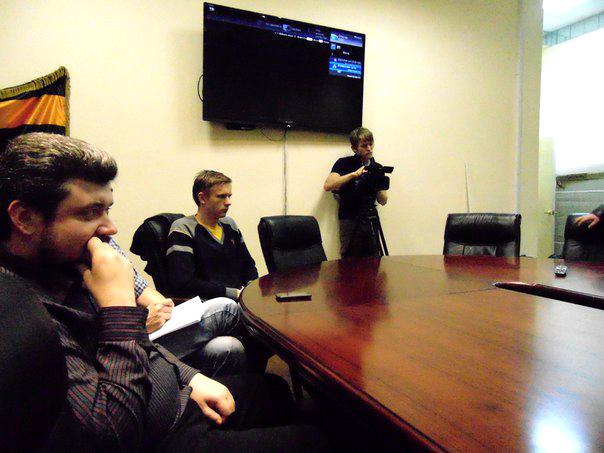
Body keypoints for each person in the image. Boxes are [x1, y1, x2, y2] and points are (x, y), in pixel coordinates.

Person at [0, 133, 326, 451]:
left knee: (274, 389)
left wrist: (189, 378)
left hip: (177, 398)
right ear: (25, 218)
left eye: (107, 209)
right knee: (321, 440)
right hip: (163, 435)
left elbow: (143, 347)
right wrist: (119, 305)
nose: (111, 228)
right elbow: (113, 433)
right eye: (89, 212)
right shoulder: (20, 314)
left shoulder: (70, 266)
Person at [109, 236, 247, 377]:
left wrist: (168, 312)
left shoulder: (106, 240)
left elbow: (141, 290)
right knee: (227, 309)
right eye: (91, 213)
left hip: (148, 332)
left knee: (229, 347)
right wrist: (138, 325)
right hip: (124, 346)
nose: (112, 228)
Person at [166, 170, 258, 301]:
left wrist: (251, 288)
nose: (228, 202)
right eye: (221, 196)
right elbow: (184, 282)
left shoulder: (229, 224)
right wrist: (231, 293)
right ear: (202, 198)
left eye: (229, 196)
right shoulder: (183, 228)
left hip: (237, 298)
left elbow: (248, 264)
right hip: (207, 303)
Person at [323, 127, 389, 257]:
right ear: (354, 148)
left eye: (371, 144)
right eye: (364, 145)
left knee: (374, 257)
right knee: (349, 257)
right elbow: (328, 185)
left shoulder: (376, 167)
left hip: (370, 217)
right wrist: (354, 175)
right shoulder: (344, 163)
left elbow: (383, 200)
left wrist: (377, 182)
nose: (369, 148)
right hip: (349, 217)